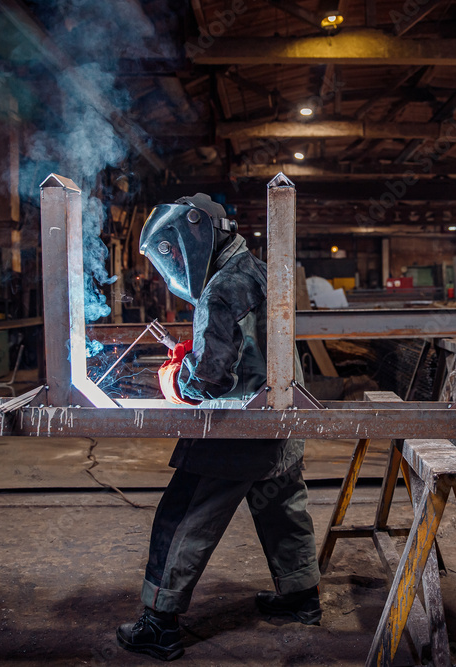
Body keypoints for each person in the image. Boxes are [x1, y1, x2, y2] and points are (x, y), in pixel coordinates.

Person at [117, 194, 321, 661]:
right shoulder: (259, 270)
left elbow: (208, 377)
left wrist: (176, 377)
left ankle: (159, 622)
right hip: (282, 418)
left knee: (184, 514)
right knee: (282, 507)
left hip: (237, 428)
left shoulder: (221, 288)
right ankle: (300, 596)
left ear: (191, 240)